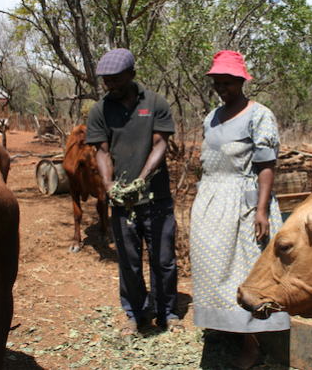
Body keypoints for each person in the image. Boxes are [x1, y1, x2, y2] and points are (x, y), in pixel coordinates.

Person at [190, 50, 290, 369]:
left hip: (244, 202)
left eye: (228, 82)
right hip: (211, 201)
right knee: (212, 266)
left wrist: (261, 210)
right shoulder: (211, 117)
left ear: (242, 80)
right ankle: (225, 325)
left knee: (248, 271)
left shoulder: (259, 115)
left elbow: (266, 166)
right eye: (217, 82)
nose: (222, 87)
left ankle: (253, 344)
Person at [85, 48, 181, 336]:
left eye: (115, 79)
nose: (110, 85)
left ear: (132, 75)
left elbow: (160, 144)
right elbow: (102, 151)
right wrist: (109, 185)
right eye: (106, 81)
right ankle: (135, 315)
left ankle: (167, 313)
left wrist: (141, 180)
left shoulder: (155, 102)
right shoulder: (100, 110)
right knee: (128, 262)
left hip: (156, 198)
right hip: (121, 204)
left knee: (163, 259)